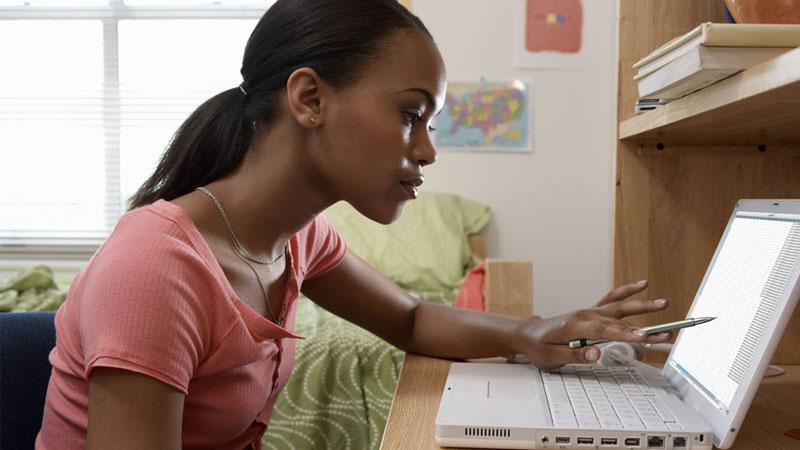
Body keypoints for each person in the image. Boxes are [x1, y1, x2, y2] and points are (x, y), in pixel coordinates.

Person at [35, 0, 672, 448]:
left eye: (430, 124)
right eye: (410, 115)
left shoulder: (298, 239)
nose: (426, 151)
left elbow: (411, 319)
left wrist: (532, 332)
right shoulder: (156, 267)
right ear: (309, 99)